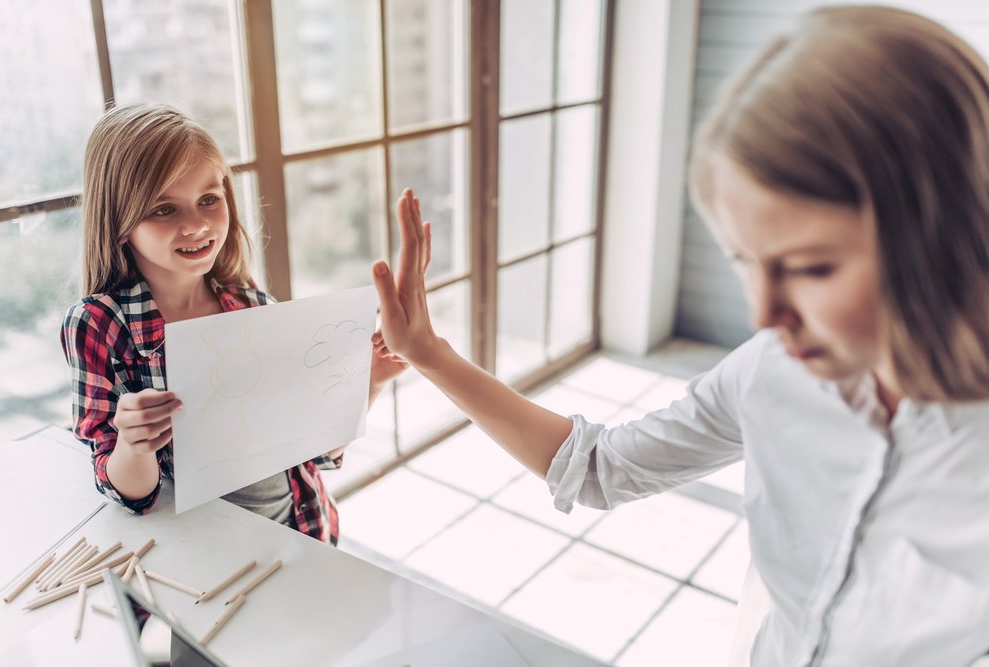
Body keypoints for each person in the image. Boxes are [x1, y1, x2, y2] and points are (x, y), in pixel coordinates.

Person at [371, 5, 989, 665]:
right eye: (745, 261)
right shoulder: (768, 371)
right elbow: (602, 468)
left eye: (811, 268)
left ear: (941, 238)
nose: (764, 314)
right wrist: (430, 356)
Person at [61, 104, 406, 546]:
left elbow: (315, 452)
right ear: (120, 220)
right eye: (164, 209)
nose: (198, 225)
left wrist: (369, 385)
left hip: (303, 529)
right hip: (207, 555)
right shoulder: (98, 324)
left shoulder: (253, 305)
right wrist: (133, 444)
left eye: (209, 199)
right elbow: (131, 496)